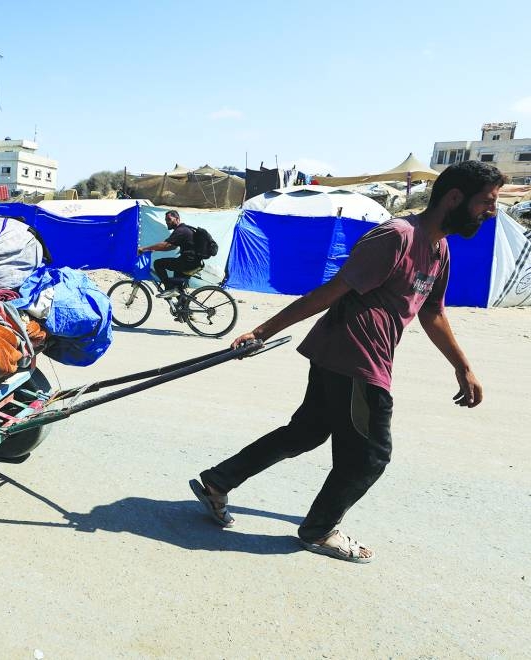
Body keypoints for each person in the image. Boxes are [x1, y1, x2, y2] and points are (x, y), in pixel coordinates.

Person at [191, 160, 504, 564]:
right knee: (369, 456)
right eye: (487, 202)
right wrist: (262, 330)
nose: (491, 211)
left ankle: (218, 482)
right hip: (356, 357)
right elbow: (331, 291)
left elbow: (432, 312)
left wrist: (462, 366)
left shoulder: (439, 249)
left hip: (346, 354)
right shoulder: (397, 236)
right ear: (455, 198)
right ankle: (319, 530)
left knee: (305, 433)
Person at [138, 210, 214, 298]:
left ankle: (169, 289)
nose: (167, 222)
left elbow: (166, 244)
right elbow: (172, 247)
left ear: (177, 219)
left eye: (169, 219)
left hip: (188, 262)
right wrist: (154, 250)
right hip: (193, 262)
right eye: (166, 220)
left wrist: (144, 249)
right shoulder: (184, 229)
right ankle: (183, 304)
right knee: (177, 288)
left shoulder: (181, 230)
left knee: (158, 263)